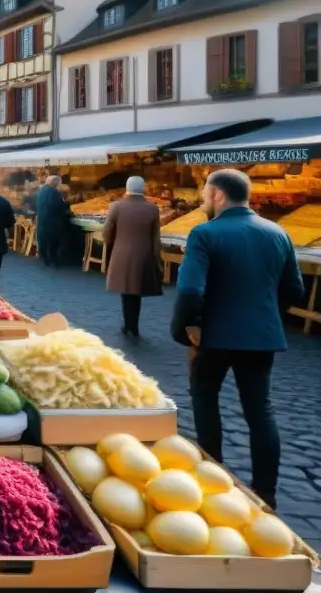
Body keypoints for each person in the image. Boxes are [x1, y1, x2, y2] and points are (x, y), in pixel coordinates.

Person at [171, 169, 304, 509]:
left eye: (205, 193)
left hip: (215, 334)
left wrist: (184, 326)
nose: (202, 199)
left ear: (218, 195)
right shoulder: (278, 232)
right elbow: (294, 290)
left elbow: (189, 291)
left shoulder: (204, 233)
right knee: (260, 410)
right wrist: (264, 314)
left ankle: (214, 473)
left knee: (204, 398)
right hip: (262, 335)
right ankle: (266, 492)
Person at [103, 176, 163, 338]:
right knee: (136, 291)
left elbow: (107, 232)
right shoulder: (153, 209)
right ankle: (133, 325)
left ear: (127, 188)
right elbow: (156, 237)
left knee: (126, 291)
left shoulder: (116, 206)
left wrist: (111, 244)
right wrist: (157, 258)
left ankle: (129, 325)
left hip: (122, 252)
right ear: (143, 189)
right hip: (144, 253)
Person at [35, 175, 70, 267]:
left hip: (42, 220)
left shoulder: (41, 191)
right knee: (53, 243)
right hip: (52, 221)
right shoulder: (54, 192)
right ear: (57, 183)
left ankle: (45, 259)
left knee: (45, 241)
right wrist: (67, 211)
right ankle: (55, 261)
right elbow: (59, 207)